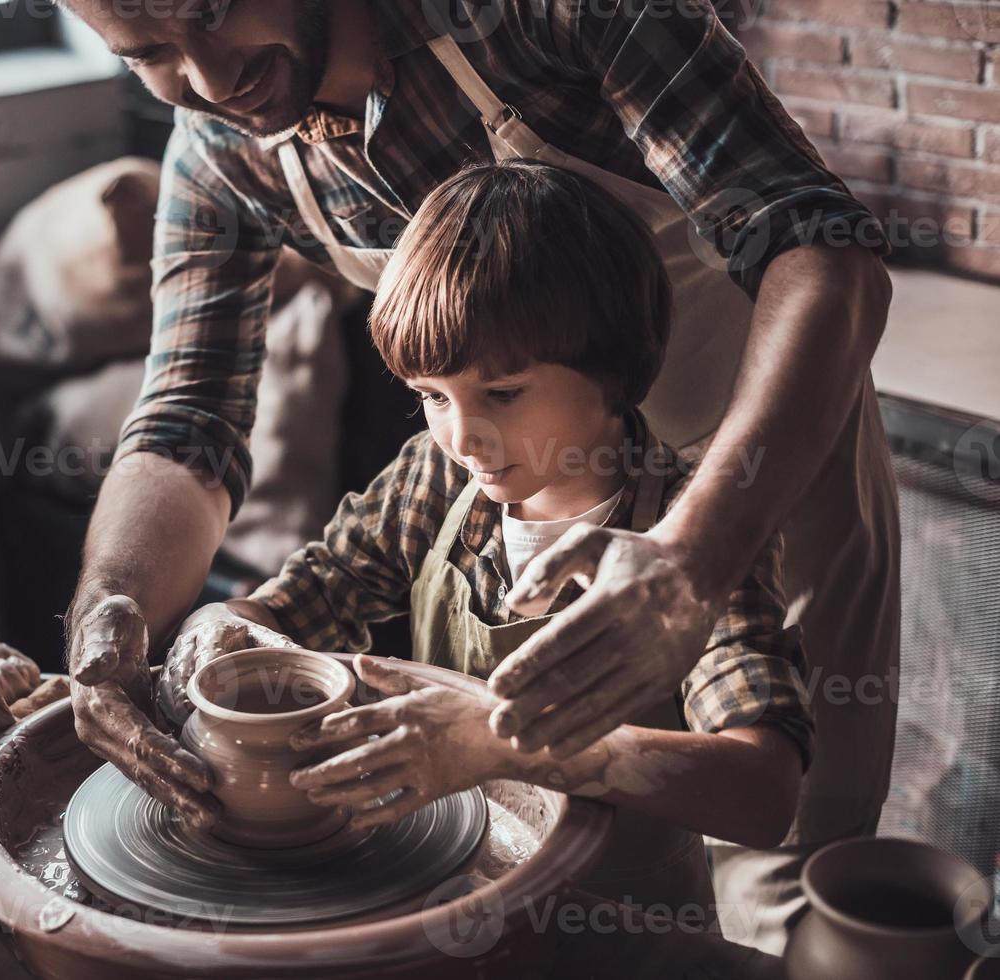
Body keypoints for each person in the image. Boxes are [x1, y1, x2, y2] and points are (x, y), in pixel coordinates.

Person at [61, 0, 897, 950]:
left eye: (209, 13)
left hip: (761, 471)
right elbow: (187, 420)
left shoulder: (541, 15)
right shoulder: (435, 476)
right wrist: (120, 620)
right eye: (149, 56)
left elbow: (823, 251)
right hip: (526, 901)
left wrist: (691, 559)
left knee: (781, 903)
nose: (208, 81)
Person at [167, 160, 813, 919]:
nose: (462, 436)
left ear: (618, 365)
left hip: (623, 929)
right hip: (452, 911)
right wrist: (219, 627)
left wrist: (505, 745)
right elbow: (293, 606)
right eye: (431, 397)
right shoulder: (433, 482)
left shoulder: (688, 537)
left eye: (502, 394)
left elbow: (762, 793)